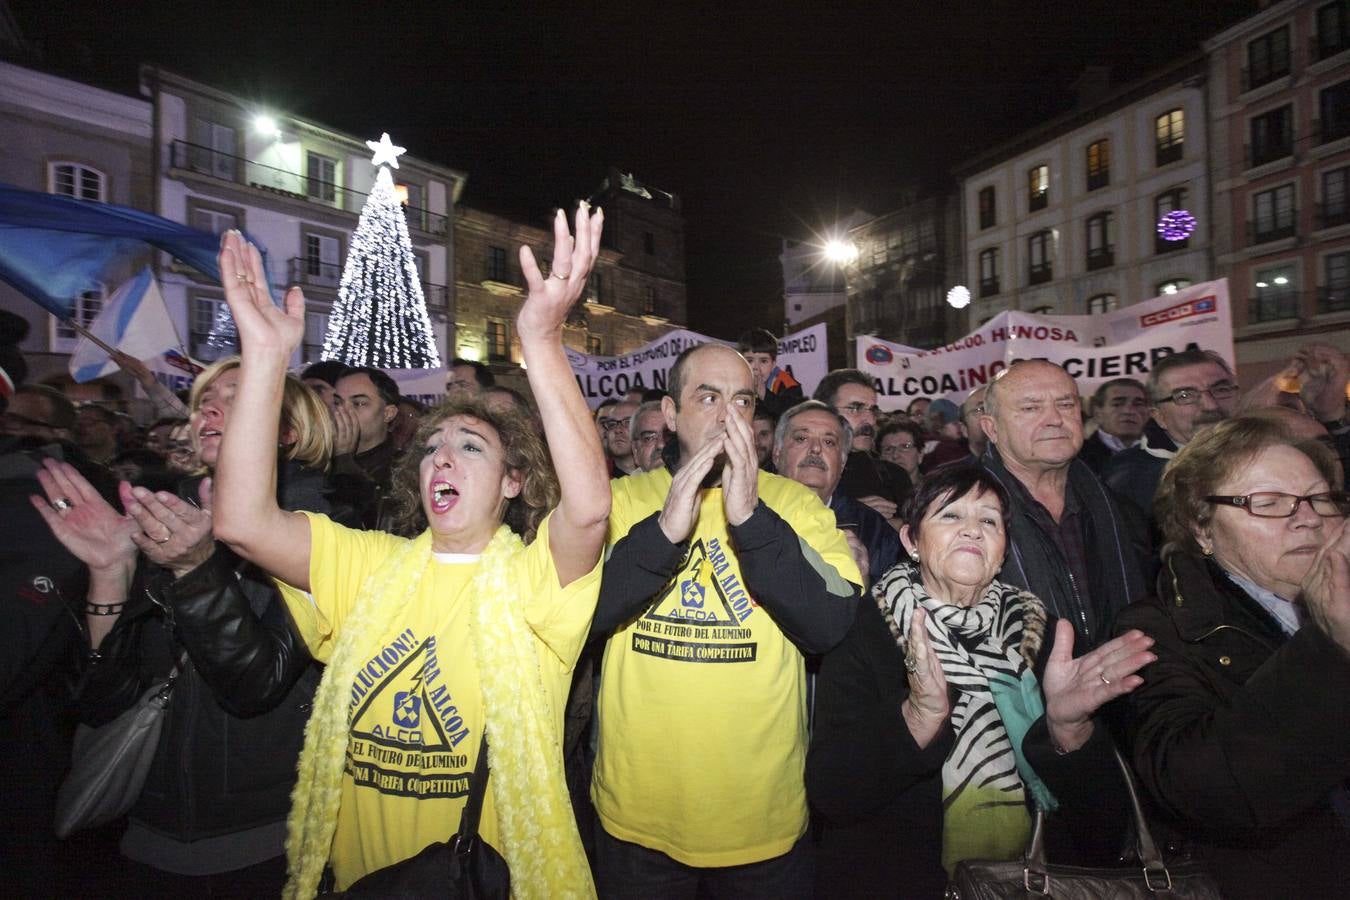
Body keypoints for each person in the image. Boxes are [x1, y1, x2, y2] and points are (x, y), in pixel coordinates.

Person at [211, 209, 606, 897]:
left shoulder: (538, 581)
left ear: (515, 481)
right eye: (431, 447)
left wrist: (540, 338)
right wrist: (267, 358)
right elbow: (243, 522)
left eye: (471, 447)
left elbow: (592, 508)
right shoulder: (368, 565)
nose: (442, 457)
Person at [31, 354, 349, 895]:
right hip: (144, 830)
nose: (210, 412)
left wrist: (197, 569)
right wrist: (111, 572)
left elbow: (257, 684)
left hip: (263, 837)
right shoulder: (166, 514)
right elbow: (101, 701)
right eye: (205, 403)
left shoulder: (320, 528)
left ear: (289, 433)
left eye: (238, 399)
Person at [807, 466, 1156, 898]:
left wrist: (1069, 731)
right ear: (911, 541)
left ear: (1003, 550)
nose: (972, 530)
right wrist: (918, 719)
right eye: (951, 516)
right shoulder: (864, 630)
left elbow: (1101, 826)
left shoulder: (1043, 635)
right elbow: (832, 794)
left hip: (1035, 882)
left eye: (988, 520)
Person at [589, 342, 861, 898]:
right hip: (637, 819)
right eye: (707, 397)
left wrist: (751, 519)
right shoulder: (618, 502)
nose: (725, 415)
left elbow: (830, 623)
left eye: (740, 401)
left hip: (761, 822)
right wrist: (664, 531)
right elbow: (576, 616)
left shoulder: (796, 505)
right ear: (670, 414)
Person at [1113, 416, 1350, 900]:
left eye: (1319, 497)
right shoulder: (1157, 631)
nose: (1306, 517)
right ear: (1202, 526)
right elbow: (1209, 791)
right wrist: (1328, 644)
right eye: (1268, 503)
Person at [979, 360, 1147, 648]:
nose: (1055, 419)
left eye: (1066, 405)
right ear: (991, 428)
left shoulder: (1118, 506)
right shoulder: (957, 514)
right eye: (1031, 408)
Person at [775, 400, 900, 588]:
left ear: (842, 463)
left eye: (829, 442)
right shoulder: (744, 514)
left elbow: (894, 611)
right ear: (777, 454)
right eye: (801, 439)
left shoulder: (873, 531)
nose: (815, 449)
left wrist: (861, 586)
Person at [1102, 350, 1238, 522]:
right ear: (1159, 416)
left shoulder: (1272, 453)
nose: (1210, 406)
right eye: (1184, 395)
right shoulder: (1128, 480)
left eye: (1220, 389)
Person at [814, 368, 912, 526]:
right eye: (855, 408)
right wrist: (852, 513)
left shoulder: (894, 476)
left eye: (873, 410)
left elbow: (916, 535)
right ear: (824, 412)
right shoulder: (798, 471)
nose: (870, 420)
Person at [1077, 378, 1147, 474]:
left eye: (1138, 404)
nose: (1129, 411)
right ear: (1098, 413)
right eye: (1117, 404)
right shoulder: (1075, 456)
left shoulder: (1167, 454)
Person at [738, 327, 803, 418]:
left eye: (763, 361)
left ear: (773, 364)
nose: (756, 368)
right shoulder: (733, 382)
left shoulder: (788, 385)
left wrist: (764, 393)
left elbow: (792, 415)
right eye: (749, 361)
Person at [877, 420, 924, 486]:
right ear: (880, 457)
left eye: (905, 447)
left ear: (920, 454)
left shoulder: (934, 491)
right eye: (888, 449)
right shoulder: (872, 491)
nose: (895, 455)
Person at [629, 399, 669, 473]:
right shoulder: (621, 484)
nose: (661, 445)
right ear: (635, 451)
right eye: (649, 438)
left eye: (669, 435)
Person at [603, 397, 640, 475]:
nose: (618, 430)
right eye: (612, 424)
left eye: (628, 422)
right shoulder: (597, 474)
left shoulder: (663, 472)